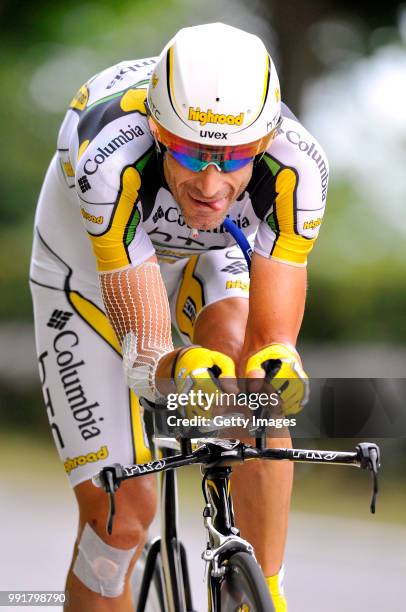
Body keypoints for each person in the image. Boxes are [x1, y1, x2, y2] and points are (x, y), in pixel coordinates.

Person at [30, 22, 328, 611]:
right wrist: (180, 367)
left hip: (217, 255)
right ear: (160, 132)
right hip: (88, 274)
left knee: (256, 385)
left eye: (236, 156)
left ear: (265, 141)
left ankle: (262, 588)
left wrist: (278, 367)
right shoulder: (109, 154)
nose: (212, 184)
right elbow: (146, 355)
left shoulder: (301, 164)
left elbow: (274, 337)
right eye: (192, 152)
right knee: (118, 521)